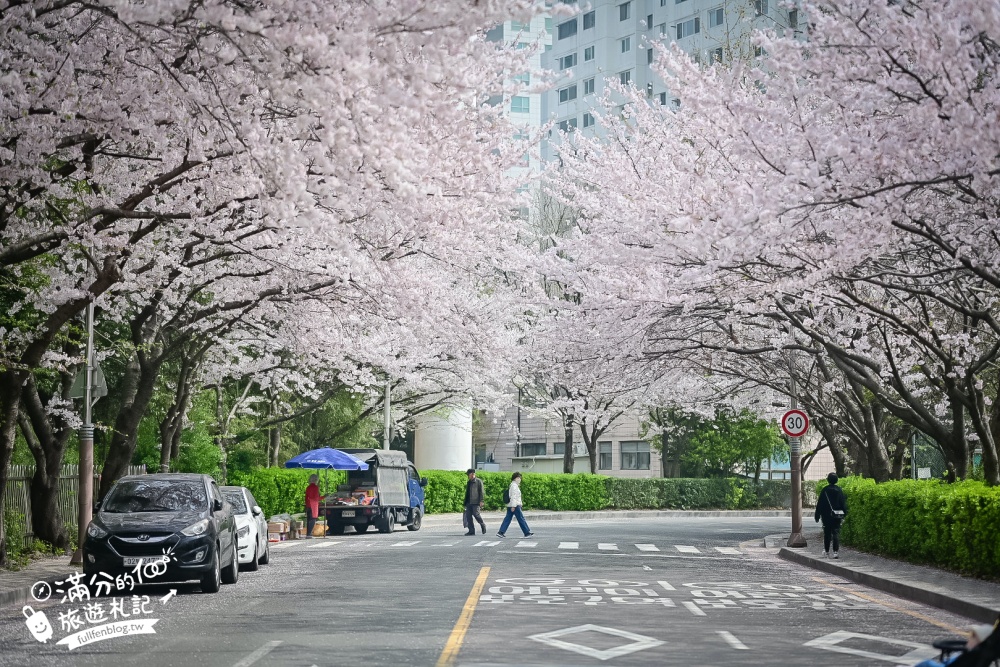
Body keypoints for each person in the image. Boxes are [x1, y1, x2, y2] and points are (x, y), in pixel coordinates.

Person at [814, 472, 848, 558]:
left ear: (828, 480)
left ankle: (826, 551)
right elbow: (843, 503)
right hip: (837, 515)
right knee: (835, 532)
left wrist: (817, 515)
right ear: (836, 480)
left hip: (826, 515)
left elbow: (820, 503)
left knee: (827, 533)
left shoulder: (825, 490)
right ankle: (836, 552)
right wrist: (845, 513)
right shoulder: (839, 490)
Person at [496, 472, 534, 538]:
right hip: (515, 505)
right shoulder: (514, 486)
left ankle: (501, 532)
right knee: (521, 519)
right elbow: (513, 496)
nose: (520, 479)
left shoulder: (513, 485)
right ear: (515, 478)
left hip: (511, 505)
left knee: (508, 519)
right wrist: (514, 506)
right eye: (518, 478)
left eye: (520, 478)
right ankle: (527, 532)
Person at [463, 468, 486, 536]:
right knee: (468, 516)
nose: (468, 476)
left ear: (472, 474)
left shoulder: (478, 481)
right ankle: (471, 531)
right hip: (468, 502)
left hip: (476, 502)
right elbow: (467, 492)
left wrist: (481, 500)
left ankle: (482, 525)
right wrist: (465, 502)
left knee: (476, 515)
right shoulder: (469, 482)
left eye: (469, 474)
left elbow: (481, 492)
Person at [304, 474, 325, 539]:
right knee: (313, 519)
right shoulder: (316, 487)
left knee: (308, 519)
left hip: (308, 504)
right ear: (316, 480)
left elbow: (306, 497)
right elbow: (316, 498)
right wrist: (324, 497)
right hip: (313, 505)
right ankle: (309, 534)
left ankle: (308, 533)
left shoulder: (308, 487)